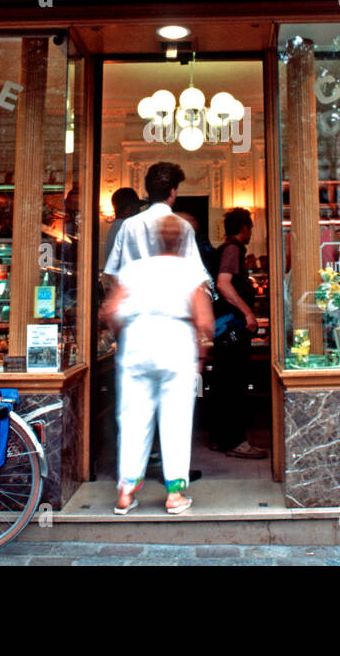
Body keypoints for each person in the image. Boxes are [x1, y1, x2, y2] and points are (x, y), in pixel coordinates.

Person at [103, 215, 214, 515]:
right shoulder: (189, 270)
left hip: (137, 343)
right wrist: (202, 354)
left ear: (154, 240)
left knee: (133, 418)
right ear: (181, 241)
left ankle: (125, 493)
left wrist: (124, 335)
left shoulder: (133, 270)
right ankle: (174, 496)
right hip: (176, 343)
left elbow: (110, 310)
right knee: (175, 419)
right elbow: (205, 321)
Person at [209, 207, 267, 459]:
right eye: (250, 227)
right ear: (244, 228)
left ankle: (219, 438)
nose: (251, 232)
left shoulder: (227, 249)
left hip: (224, 329)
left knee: (223, 381)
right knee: (233, 382)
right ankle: (235, 441)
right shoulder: (233, 249)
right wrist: (248, 313)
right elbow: (223, 284)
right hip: (231, 328)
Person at [103, 162, 207, 288]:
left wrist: (127, 293)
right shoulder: (182, 226)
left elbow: (110, 271)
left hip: (135, 302)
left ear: (148, 190)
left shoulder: (129, 225)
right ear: (173, 192)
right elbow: (196, 272)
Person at [101, 187, 141, 264]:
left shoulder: (116, 229)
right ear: (127, 210)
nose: (139, 212)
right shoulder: (127, 230)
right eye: (137, 208)